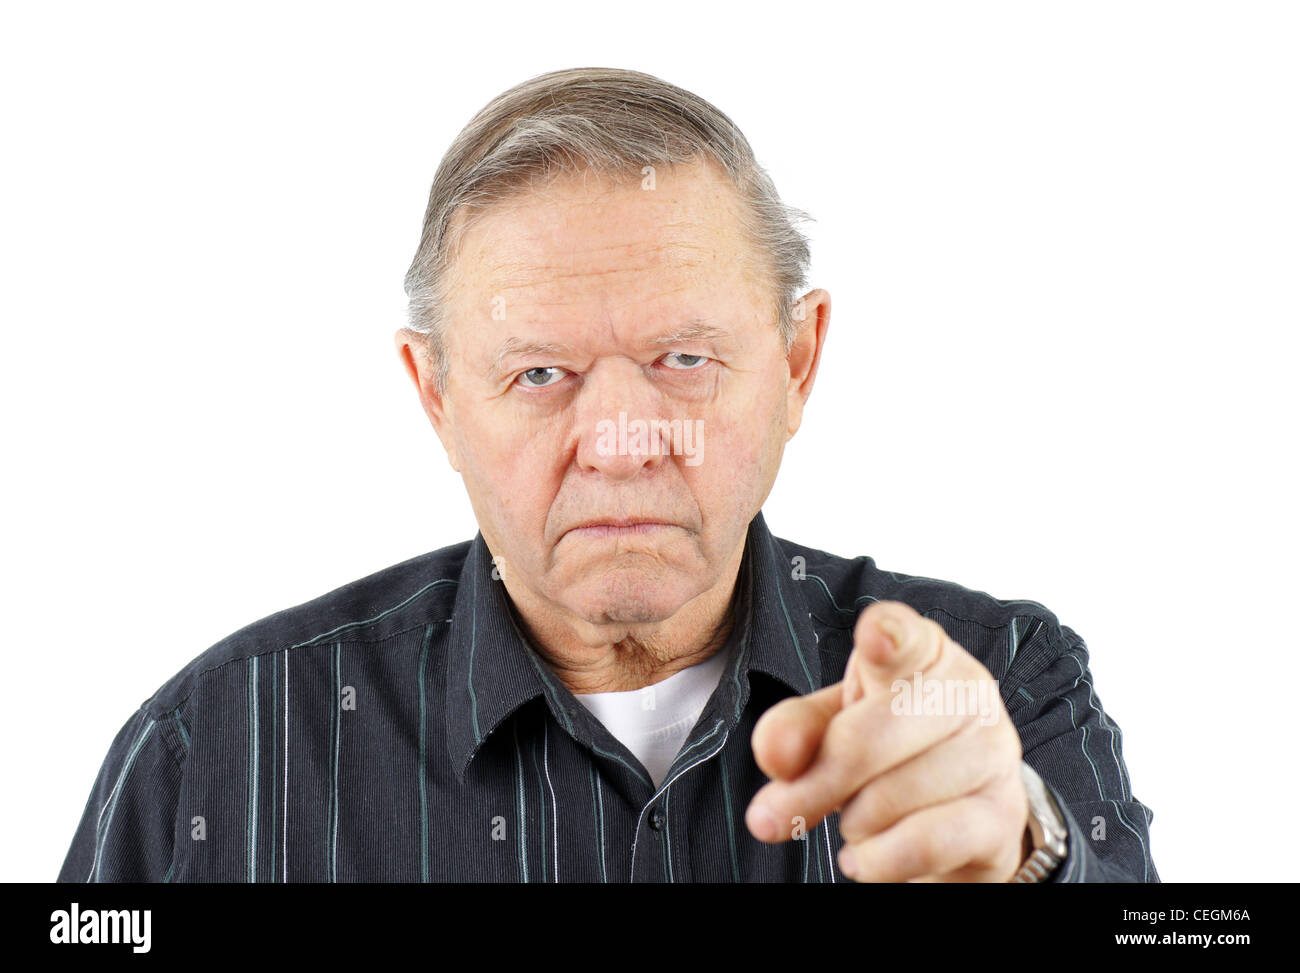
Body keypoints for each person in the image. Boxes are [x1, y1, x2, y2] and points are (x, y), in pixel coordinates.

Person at [58, 67, 1157, 883]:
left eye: (684, 360)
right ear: (435, 396)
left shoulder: (1002, 681)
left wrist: (1028, 849)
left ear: (795, 363)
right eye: (540, 372)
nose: (623, 439)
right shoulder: (217, 745)